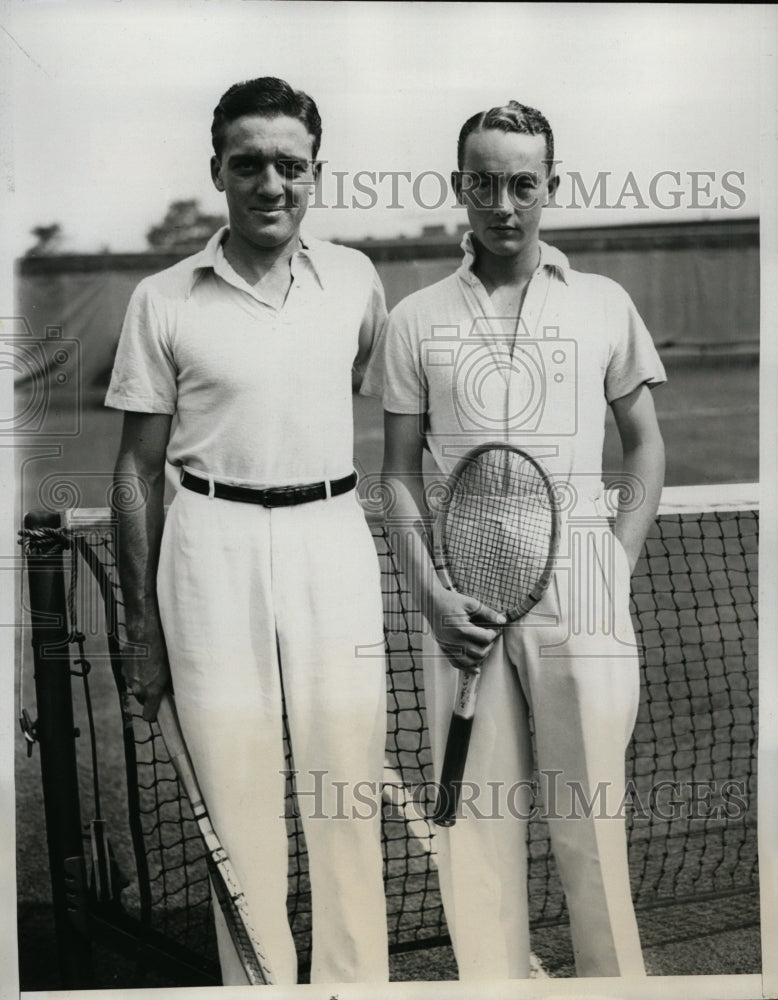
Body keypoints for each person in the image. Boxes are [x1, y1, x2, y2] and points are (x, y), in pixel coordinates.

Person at [367, 101, 666, 979]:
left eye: (522, 183)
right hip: (459, 592)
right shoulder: (414, 318)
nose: (503, 203)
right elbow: (396, 473)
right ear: (461, 185)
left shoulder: (606, 303)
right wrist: (430, 595)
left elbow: (646, 443)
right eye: (484, 183)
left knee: (590, 823)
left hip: (582, 587)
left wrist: (614, 559)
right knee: (478, 827)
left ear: (551, 187)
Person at [106, 76, 389, 986]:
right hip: (210, 550)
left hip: (333, 539)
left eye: (291, 165)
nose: (272, 183)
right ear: (218, 171)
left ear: (317, 173)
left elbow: (371, 390)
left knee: (346, 788)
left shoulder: (355, 278)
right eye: (250, 164)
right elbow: (134, 471)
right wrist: (140, 628)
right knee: (238, 804)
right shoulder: (163, 297)